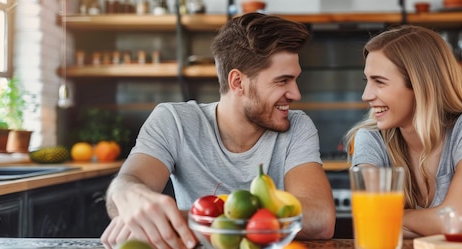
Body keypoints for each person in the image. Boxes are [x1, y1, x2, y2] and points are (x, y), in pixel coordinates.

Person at [101, 13, 336, 249]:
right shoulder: (174, 121)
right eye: (283, 81)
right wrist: (128, 194)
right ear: (237, 82)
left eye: (295, 80)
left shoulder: (297, 126)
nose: (296, 94)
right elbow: (125, 186)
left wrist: (185, 220)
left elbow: (321, 219)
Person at [344, 25, 462, 238]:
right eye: (367, 81)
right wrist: (435, 221)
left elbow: (459, 218)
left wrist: (395, 217)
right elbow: (370, 221)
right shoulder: (370, 138)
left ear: (420, 86)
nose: (366, 95)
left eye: (379, 82)